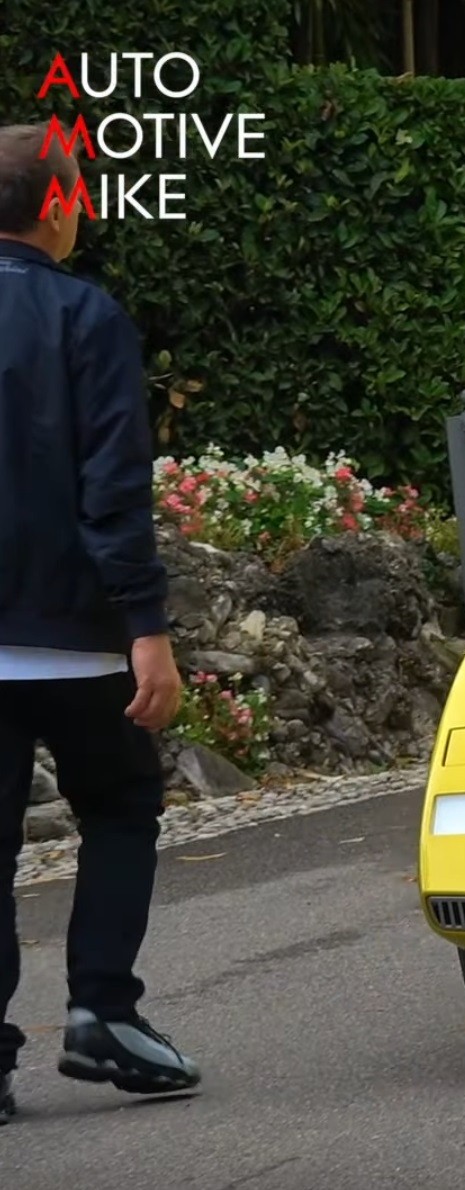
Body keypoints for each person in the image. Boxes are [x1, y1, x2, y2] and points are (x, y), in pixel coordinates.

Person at [0, 124, 198, 1125]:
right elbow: (112, 485)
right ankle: (100, 1012)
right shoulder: (86, 315)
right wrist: (146, 626)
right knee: (120, 808)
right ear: (58, 204)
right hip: (74, 630)